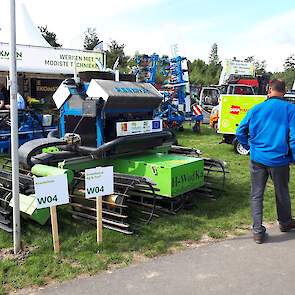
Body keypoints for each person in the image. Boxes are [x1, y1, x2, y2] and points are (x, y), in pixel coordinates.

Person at [236, 79, 295, 244]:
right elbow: (294, 138)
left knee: (256, 195)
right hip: (280, 160)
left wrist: (249, 146)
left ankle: (257, 232)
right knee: (282, 192)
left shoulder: (257, 108)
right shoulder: (291, 109)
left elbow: (240, 131)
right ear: (284, 91)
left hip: (258, 159)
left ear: (269, 90)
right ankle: (285, 223)